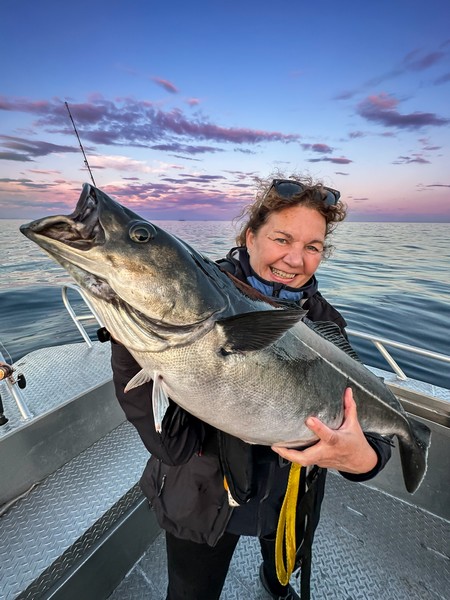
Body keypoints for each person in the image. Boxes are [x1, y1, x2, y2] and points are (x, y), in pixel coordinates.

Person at [110, 175, 392, 600]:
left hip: (290, 496)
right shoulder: (193, 298)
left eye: (312, 247)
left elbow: (366, 417)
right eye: (282, 239)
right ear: (250, 236)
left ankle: (275, 584)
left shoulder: (325, 322)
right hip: (204, 498)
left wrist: (364, 459)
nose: (296, 260)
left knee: (281, 570)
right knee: (190, 593)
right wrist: (139, 337)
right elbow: (170, 445)